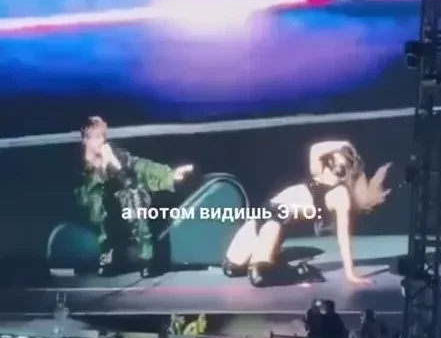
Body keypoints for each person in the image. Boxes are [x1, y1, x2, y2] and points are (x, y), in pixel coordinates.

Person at [222, 140, 391, 287]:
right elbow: (315, 149)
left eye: (342, 155)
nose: (336, 153)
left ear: (347, 167)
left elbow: (343, 237)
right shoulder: (319, 174)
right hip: (262, 215)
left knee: (259, 275)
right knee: (231, 268)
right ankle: (279, 262)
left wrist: (350, 274)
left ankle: (298, 272)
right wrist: (341, 143)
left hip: (275, 221)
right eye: (335, 153)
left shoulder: (340, 194)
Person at [75, 116, 193, 278]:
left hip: (120, 208)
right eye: (96, 137)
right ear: (85, 140)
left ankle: (146, 258)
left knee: (134, 194)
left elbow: (141, 166)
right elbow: (86, 195)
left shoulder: (115, 156)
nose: (102, 141)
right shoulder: (80, 166)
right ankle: (108, 256)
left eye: (103, 136)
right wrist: (102, 172)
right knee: (99, 200)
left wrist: (170, 175)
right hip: (94, 210)